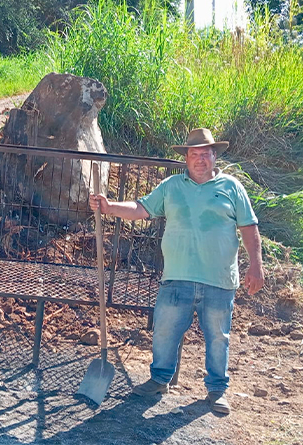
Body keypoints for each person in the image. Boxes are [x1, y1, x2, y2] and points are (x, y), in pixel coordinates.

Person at [89, 128, 264, 414]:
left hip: (219, 280)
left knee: (218, 338)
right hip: (177, 277)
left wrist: (256, 265)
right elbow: (140, 208)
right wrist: (109, 207)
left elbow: (249, 228)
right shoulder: (171, 186)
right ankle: (159, 380)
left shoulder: (232, 187)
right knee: (165, 332)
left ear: (214, 156)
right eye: (194, 154)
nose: (200, 160)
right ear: (186, 157)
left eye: (205, 154)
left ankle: (217, 390)